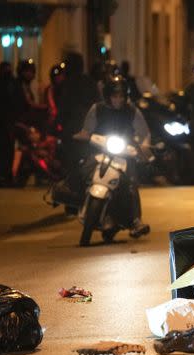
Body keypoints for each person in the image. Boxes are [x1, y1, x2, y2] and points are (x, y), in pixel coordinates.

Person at [74, 75, 151, 239]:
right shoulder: (97, 109)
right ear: (108, 95)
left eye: (121, 96)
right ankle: (73, 200)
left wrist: (143, 149)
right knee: (82, 170)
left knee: (130, 182)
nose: (118, 100)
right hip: (100, 151)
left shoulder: (132, 111)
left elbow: (143, 133)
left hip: (124, 154)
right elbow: (86, 130)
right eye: (115, 96)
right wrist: (83, 136)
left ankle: (136, 220)